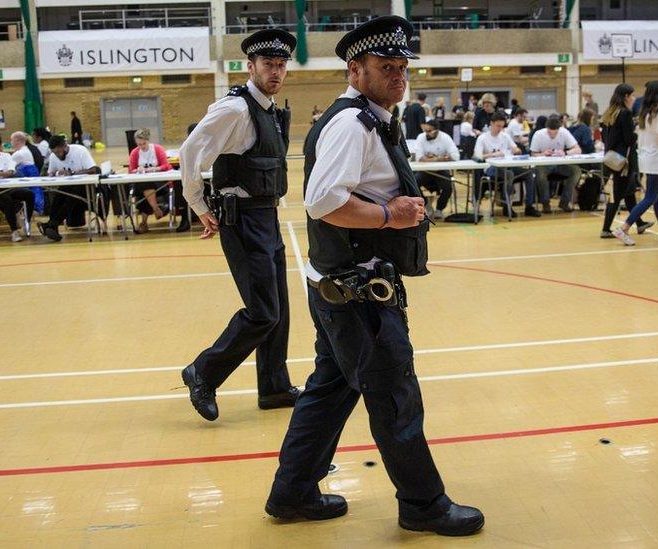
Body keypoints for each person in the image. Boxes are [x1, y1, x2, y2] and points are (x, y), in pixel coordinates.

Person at [267, 16, 484, 536]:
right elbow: (323, 202)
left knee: (331, 388)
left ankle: (293, 490)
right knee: (393, 396)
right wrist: (391, 216)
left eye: (402, 68)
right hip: (359, 291)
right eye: (386, 68)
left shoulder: (372, 118)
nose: (398, 77)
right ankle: (423, 504)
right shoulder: (352, 124)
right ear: (355, 70)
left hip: (339, 285)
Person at [176, 28, 301, 421]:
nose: (275, 72)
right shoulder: (235, 109)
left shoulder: (269, 109)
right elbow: (190, 151)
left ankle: (274, 387)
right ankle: (204, 372)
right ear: (251, 66)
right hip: (242, 218)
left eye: (281, 65)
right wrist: (198, 204)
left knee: (277, 310)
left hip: (267, 215)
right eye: (268, 64)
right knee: (263, 312)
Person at [612, 81, 658, 246]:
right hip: (656, 158)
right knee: (650, 197)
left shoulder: (645, 111)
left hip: (645, 156)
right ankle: (624, 228)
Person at [600, 83, 652, 238]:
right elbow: (629, 139)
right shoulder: (625, 114)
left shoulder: (609, 113)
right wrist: (637, 133)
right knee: (616, 195)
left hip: (612, 158)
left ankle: (640, 223)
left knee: (628, 193)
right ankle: (605, 229)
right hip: (624, 161)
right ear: (625, 97)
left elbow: (606, 137)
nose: (634, 98)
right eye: (632, 95)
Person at [37, 135, 100, 241]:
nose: (57, 155)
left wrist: (72, 173)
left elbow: (94, 169)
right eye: (55, 153)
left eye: (59, 152)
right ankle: (53, 228)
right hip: (68, 185)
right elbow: (51, 173)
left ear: (65, 146)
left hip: (86, 186)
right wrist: (56, 173)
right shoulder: (53, 156)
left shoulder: (80, 150)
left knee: (71, 197)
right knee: (58, 197)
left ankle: (51, 224)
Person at [128, 128, 189, 233]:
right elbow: (131, 170)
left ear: (148, 140)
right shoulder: (134, 152)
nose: (142, 146)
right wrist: (138, 169)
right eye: (139, 144)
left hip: (159, 183)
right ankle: (156, 209)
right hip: (142, 183)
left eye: (144, 143)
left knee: (146, 190)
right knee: (145, 186)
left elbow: (166, 165)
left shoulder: (157, 149)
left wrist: (154, 168)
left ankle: (144, 223)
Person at [473, 111, 525, 217]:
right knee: (509, 174)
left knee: (529, 173)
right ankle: (507, 206)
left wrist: (517, 150)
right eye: (498, 126)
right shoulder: (483, 138)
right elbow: (478, 156)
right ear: (491, 124)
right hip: (490, 168)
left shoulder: (505, 136)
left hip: (507, 165)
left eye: (502, 126)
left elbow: (515, 148)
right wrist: (494, 154)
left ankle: (529, 206)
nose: (500, 128)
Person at [530, 114, 582, 213]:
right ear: (546, 129)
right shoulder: (538, 134)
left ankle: (564, 202)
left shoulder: (564, 132)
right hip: (544, 165)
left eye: (555, 133)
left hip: (560, 164)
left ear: (559, 129)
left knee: (576, 171)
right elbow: (533, 154)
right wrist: (543, 154)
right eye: (550, 133)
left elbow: (578, 149)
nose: (552, 135)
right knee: (540, 174)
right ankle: (545, 203)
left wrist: (565, 152)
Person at [413, 119, 460, 219]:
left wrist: (432, 158)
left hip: (441, 171)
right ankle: (426, 205)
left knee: (448, 185)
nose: (426, 133)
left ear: (437, 130)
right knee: (413, 183)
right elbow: (420, 158)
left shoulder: (445, 137)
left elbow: (455, 155)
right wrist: (440, 158)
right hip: (425, 171)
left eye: (429, 131)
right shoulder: (421, 137)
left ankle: (439, 209)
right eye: (425, 130)